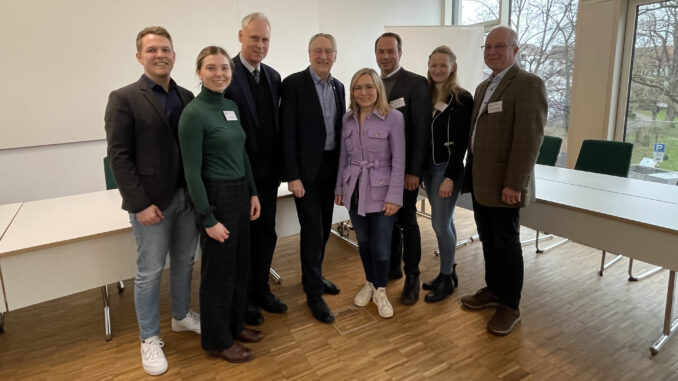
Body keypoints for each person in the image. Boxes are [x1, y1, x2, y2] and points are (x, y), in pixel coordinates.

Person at [104, 26, 200, 376]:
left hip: (187, 199)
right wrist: (139, 204)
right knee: (148, 273)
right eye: (152, 50)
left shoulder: (188, 96)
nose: (160, 55)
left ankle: (180, 316)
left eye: (166, 49)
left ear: (174, 55)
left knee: (186, 262)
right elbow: (118, 157)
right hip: (151, 205)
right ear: (139, 56)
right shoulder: (124, 97)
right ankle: (149, 338)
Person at [178, 46, 263, 363]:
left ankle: (235, 324)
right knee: (218, 273)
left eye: (225, 68)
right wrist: (207, 219)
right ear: (198, 73)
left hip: (241, 193)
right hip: (216, 196)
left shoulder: (230, 106)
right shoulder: (194, 113)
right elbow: (191, 172)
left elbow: (242, 153)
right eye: (211, 68)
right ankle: (216, 340)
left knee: (240, 266)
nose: (219, 74)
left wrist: (253, 192)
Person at [461, 26, 547, 336]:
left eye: (500, 46)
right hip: (483, 181)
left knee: (506, 243)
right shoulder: (485, 87)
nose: (492, 52)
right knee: (489, 239)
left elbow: (529, 139)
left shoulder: (528, 84)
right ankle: (494, 290)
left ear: (515, 50)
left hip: (505, 185)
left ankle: (510, 305)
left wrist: (515, 183)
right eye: (487, 47)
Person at [224, 12, 286, 326]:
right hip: (237, 178)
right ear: (240, 37)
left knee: (266, 235)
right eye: (254, 38)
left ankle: (261, 291)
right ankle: (244, 299)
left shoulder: (274, 77)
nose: (260, 44)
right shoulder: (225, 74)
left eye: (265, 39)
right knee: (243, 241)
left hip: (268, 176)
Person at [280, 34, 345, 323]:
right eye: (317, 51)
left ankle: (315, 278)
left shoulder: (340, 87)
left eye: (328, 51)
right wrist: (292, 176)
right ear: (309, 53)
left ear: (335, 55)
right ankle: (313, 293)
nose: (323, 56)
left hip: (331, 168)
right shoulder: (293, 84)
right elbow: (288, 133)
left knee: (324, 227)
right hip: (306, 173)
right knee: (312, 231)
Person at [334, 68, 406, 318]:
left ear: (378, 89)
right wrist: (340, 188)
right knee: (363, 243)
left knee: (382, 248)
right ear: (352, 92)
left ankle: (381, 290)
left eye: (368, 87)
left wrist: (395, 196)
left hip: (383, 190)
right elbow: (343, 157)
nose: (363, 93)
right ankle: (370, 282)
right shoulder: (347, 119)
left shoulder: (394, 117)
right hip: (354, 189)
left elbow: (399, 160)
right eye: (357, 88)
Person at [374, 32, 431, 305]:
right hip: (380, 170)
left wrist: (414, 171)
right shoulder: (373, 84)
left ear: (400, 53)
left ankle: (412, 277)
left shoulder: (415, 83)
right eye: (381, 52)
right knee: (389, 220)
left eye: (390, 51)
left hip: (405, 171)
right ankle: (393, 267)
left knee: (407, 222)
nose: (385, 56)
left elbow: (421, 131)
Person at [421, 46, 473, 303]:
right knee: (446, 222)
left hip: (446, 169)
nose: (438, 70)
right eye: (433, 65)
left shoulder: (462, 98)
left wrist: (450, 177)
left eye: (443, 65)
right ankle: (449, 274)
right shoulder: (426, 94)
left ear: (453, 66)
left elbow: (462, 141)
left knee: (440, 225)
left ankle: (446, 277)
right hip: (428, 169)